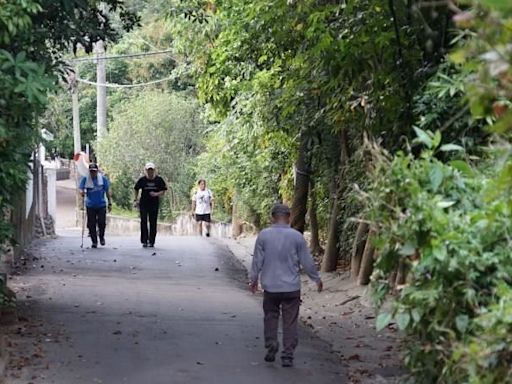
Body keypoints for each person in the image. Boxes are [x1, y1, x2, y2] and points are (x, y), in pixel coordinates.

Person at [249, 203, 323, 368]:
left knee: (270, 316)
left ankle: (271, 343)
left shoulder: (264, 235)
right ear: (289, 217)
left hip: (271, 287)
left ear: (272, 218)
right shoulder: (296, 236)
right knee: (290, 321)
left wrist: (253, 279)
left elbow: (257, 261)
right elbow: (307, 261)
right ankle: (287, 355)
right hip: (291, 288)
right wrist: (316, 279)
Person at [133, 162, 167, 248]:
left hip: (154, 204)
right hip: (144, 203)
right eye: (148, 170)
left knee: (153, 222)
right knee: (143, 220)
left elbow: (163, 191)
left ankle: (151, 241)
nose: (150, 172)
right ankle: (144, 240)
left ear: (154, 170)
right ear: (146, 171)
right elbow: (136, 189)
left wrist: (156, 194)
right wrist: (135, 199)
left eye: (151, 170)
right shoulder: (142, 180)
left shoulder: (159, 180)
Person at [79, 163, 112, 248]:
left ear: (97, 171)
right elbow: (81, 188)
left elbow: (107, 191)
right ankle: (94, 241)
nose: (93, 173)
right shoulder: (86, 179)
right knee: (91, 224)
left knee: (102, 222)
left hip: (101, 204)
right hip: (90, 205)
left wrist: (110, 203)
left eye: (94, 171)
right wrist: (82, 192)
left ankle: (101, 237)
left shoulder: (103, 179)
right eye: (91, 171)